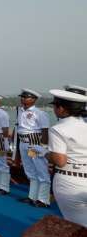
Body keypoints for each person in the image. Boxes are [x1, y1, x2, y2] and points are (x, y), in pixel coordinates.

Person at [47, 89, 87, 227]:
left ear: (62, 109)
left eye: (55, 106)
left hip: (70, 181)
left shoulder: (58, 129)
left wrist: (45, 153)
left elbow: (60, 161)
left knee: (78, 229)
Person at [16, 88, 51, 207]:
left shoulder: (40, 113)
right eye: (22, 97)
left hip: (34, 142)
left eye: (26, 97)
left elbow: (45, 131)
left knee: (40, 170)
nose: (23, 99)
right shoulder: (20, 111)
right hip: (24, 143)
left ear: (34, 99)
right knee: (30, 170)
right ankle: (32, 196)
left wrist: (43, 148)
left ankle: (43, 200)